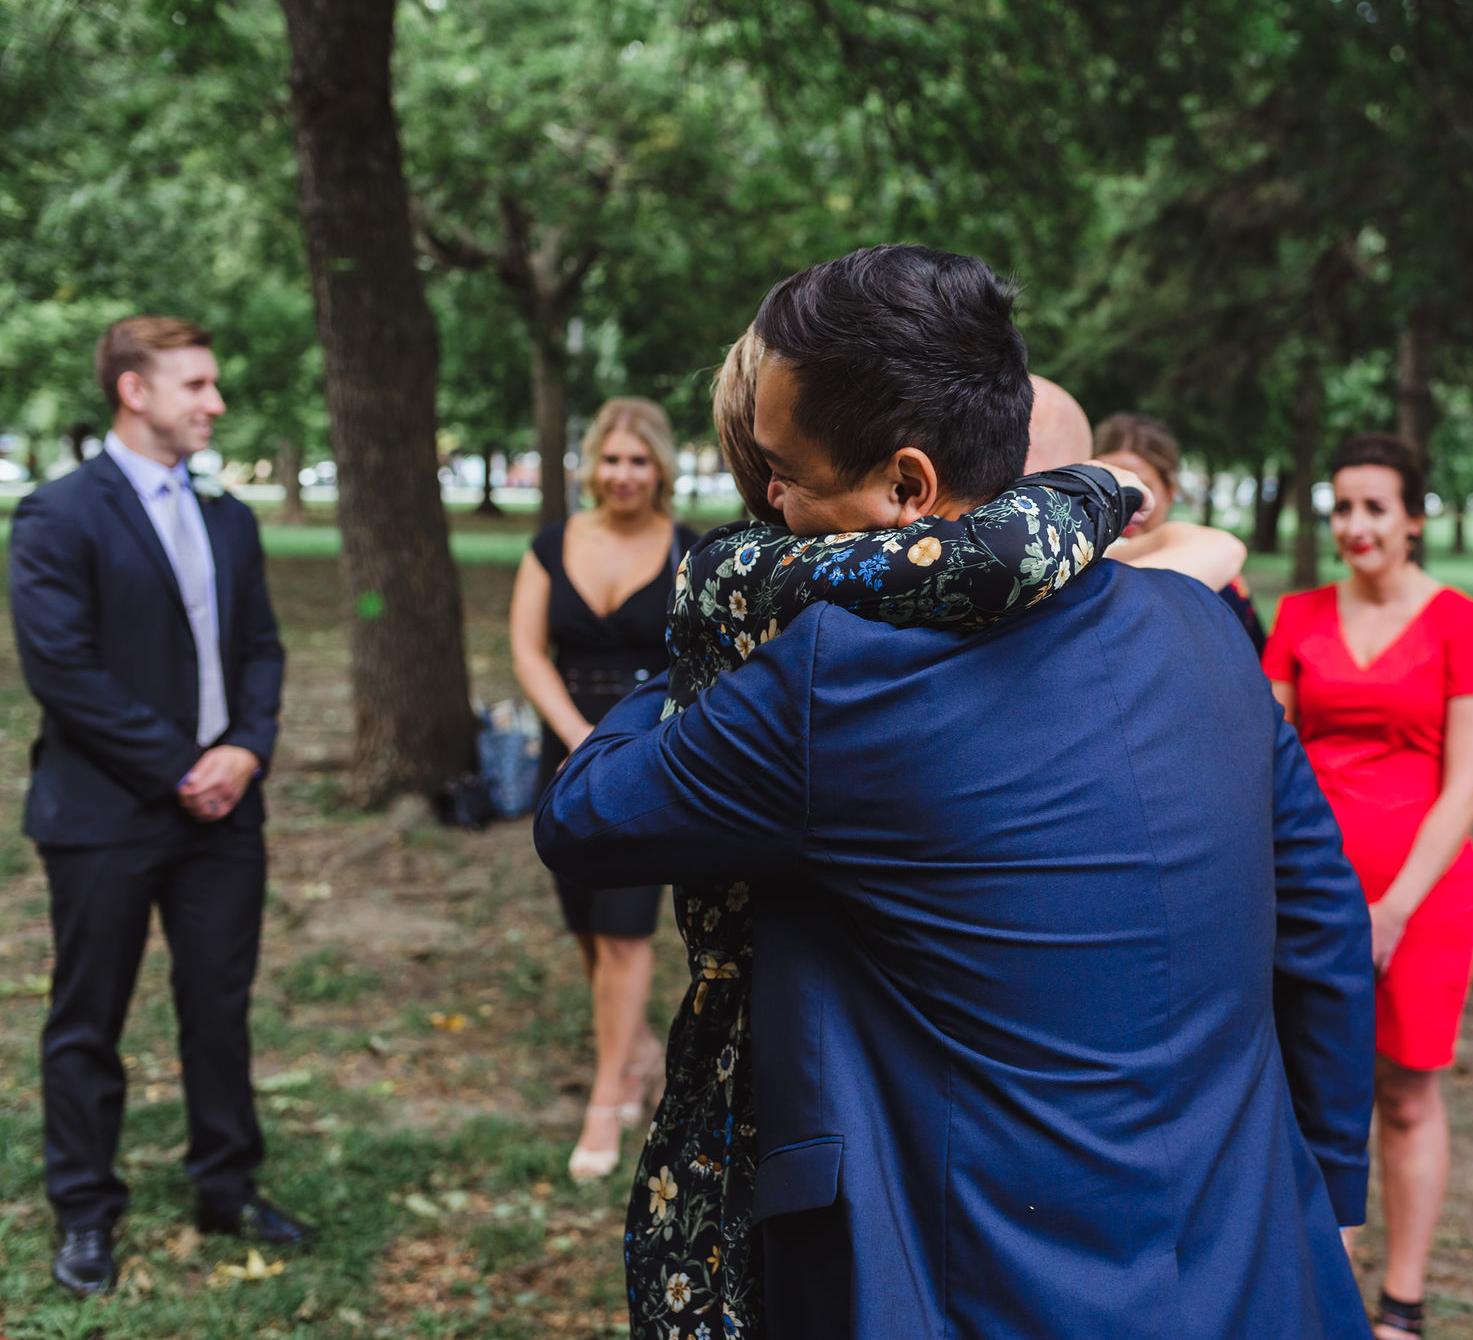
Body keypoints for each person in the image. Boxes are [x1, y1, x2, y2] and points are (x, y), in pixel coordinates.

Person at [537, 244, 1380, 1339]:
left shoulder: (830, 682)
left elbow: (584, 809)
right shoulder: (1207, 628)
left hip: (980, 1283)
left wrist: (721, 641)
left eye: (783, 469)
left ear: (905, 486)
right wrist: (1331, 1200)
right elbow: (1320, 930)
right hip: (1247, 1259)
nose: (768, 499)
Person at [627, 329, 1148, 1338]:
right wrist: (1113, 493)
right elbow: (1000, 553)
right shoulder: (755, 569)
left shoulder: (822, 580)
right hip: (772, 1013)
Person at [7, 316, 309, 1297]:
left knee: (217, 1009)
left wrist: (246, 752)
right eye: (197, 384)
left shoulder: (230, 514)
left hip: (227, 815)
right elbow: (64, 670)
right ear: (134, 391)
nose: (214, 402)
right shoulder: (59, 513)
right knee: (86, 1018)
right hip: (104, 814)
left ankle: (225, 1185)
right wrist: (185, 764)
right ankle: (85, 1211)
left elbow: (261, 647)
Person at [1260, 433, 1473, 1340]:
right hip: (1307, 889)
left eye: (1374, 507)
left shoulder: (1464, 622)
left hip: (1424, 895)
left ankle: (1401, 1304)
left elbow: (1469, 780)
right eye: (1341, 507)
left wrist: (1393, 907)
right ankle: (1326, 1286)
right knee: (1305, 1088)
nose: (1355, 525)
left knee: (1404, 1093)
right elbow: (1265, 752)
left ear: (1413, 518)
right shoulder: (1298, 615)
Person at [510, 398, 698, 1182]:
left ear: (660, 468)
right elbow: (527, 650)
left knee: (626, 933)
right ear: (593, 464)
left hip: (646, 755)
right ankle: (639, 1049)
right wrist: (576, 737)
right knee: (587, 927)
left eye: (640, 460)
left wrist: (628, 747)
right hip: (566, 745)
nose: (625, 475)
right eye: (612, 459)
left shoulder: (691, 550)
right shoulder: (552, 544)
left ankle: (608, 1093)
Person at [1091, 411, 1263, 650]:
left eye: (1138, 489)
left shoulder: (1219, 574)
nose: (1122, 505)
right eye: (1106, 487)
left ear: (1171, 489)